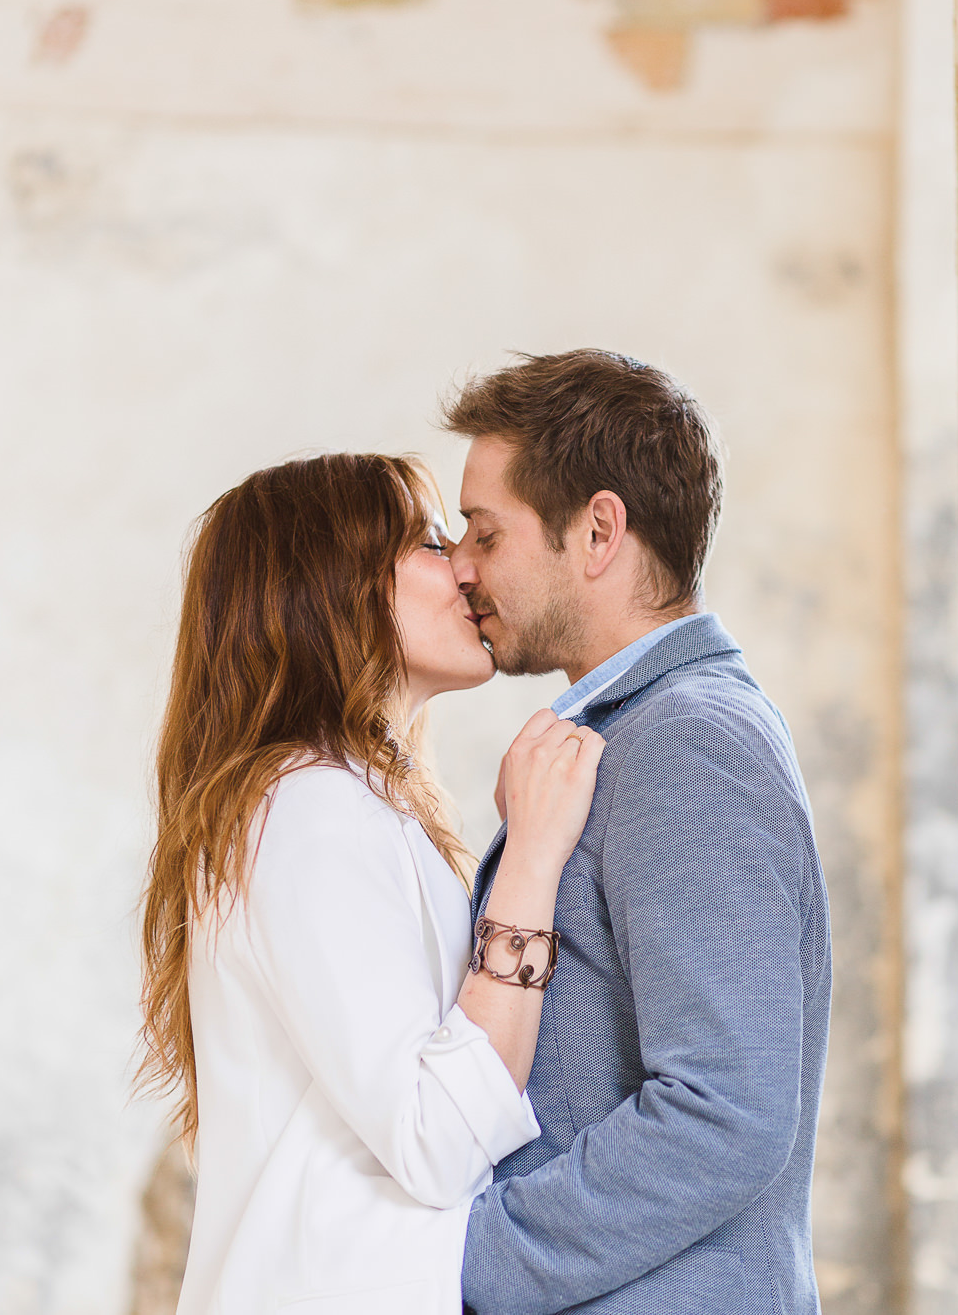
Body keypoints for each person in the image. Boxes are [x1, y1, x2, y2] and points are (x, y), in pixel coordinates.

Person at [140, 452, 606, 1314]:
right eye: (429, 543)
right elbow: (437, 1137)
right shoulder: (308, 807)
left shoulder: (345, 804)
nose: (467, 565)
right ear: (332, 588)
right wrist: (534, 859)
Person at [446, 351, 830, 1314]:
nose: (461, 567)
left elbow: (725, 1111)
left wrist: (466, 1258)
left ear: (598, 530)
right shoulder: (642, 728)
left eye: (486, 535)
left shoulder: (687, 739)